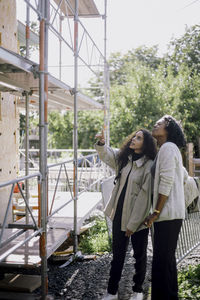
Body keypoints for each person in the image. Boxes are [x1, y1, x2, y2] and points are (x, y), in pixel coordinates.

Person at [95, 129, 157, 300]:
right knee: (118, 255)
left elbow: (145, 198)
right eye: (134, 136)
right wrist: (101, 144)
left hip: (138, 219)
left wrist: (133, 224)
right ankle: (112, 291)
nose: (133, 139)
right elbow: (108, 154)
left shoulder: (149, 165)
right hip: (119, 214)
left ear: (146, 144)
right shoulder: (124, 158)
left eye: (138, 138)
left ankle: (137, 290)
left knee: (139, 256)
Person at [144, 115, 186, 300]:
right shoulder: (167, 149)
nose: (155, 124)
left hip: (167, 215)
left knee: (163, 261)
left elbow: (167, 182)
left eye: (160, 123)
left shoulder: (168, 148)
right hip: (167, 215)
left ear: (169, 129)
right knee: (165, 261)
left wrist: (156, 212)